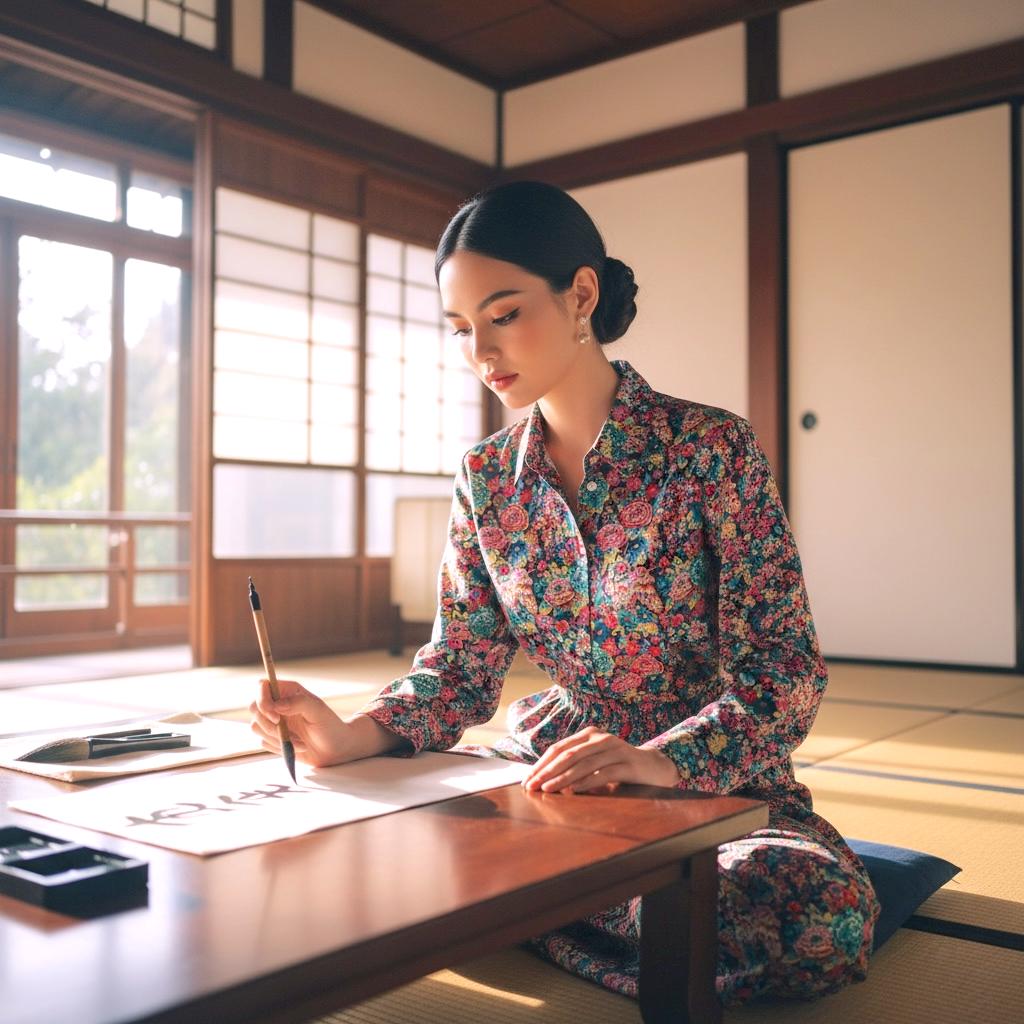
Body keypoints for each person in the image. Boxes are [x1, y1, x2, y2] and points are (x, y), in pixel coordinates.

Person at [249, 180, 880, 1006]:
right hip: (550, 778)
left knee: (814, 918)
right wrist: (347, 738)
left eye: (504, 314)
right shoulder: (486, 479)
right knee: (364, 838)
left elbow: (783, 674)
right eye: (462, 327)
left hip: (710, 782)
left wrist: (658, 760)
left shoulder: (710, 448)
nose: (481, 349)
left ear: (581, 294)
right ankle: (562, 896)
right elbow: (458, 670)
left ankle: (520, 903)